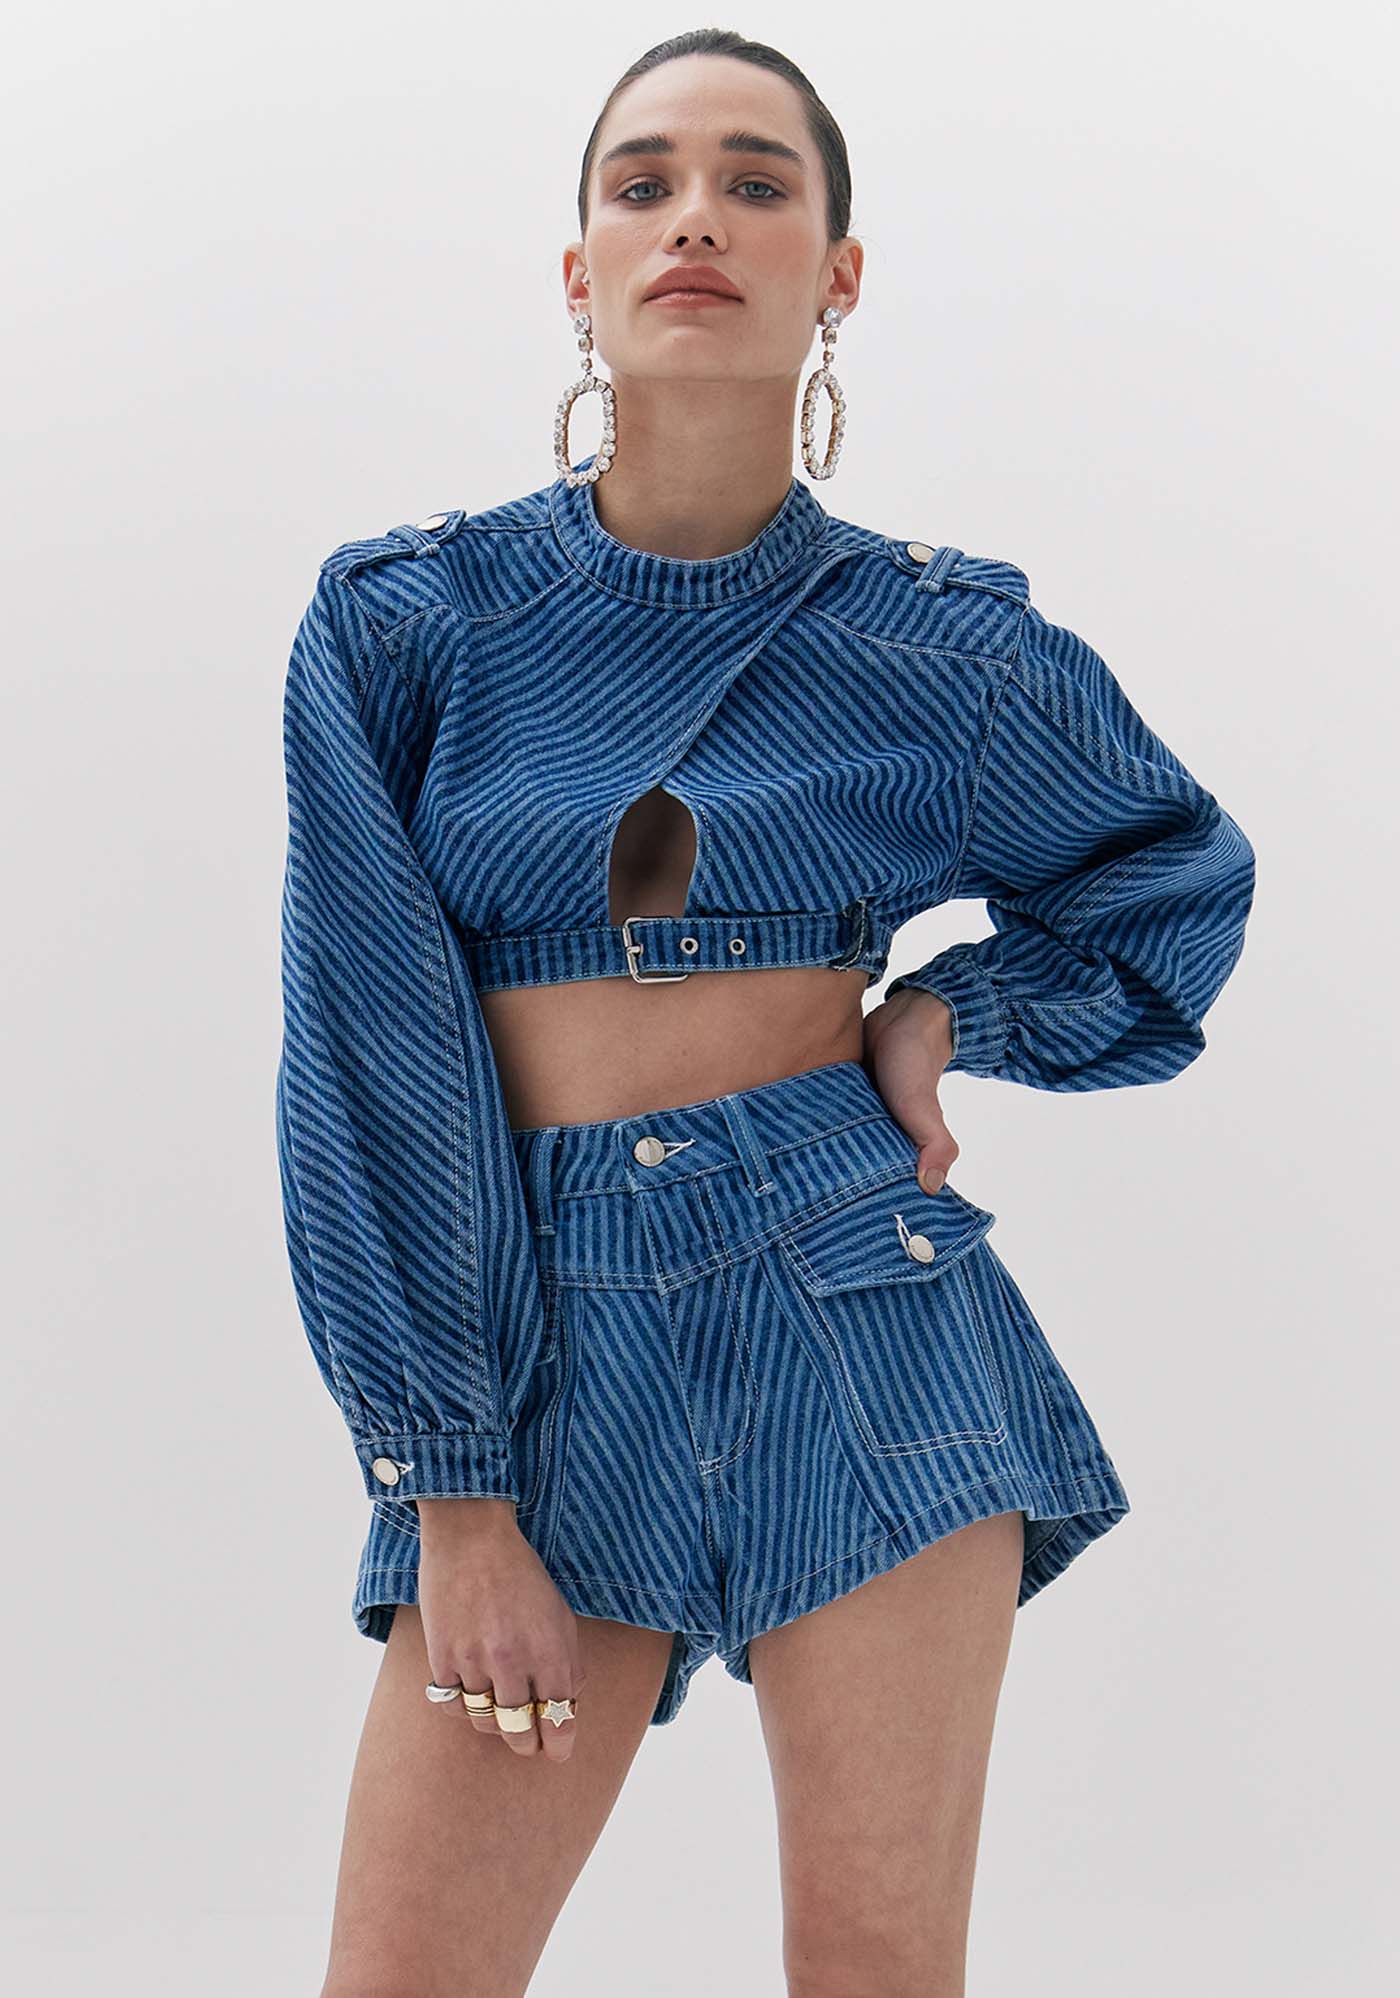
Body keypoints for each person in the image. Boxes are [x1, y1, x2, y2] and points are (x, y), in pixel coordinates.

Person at [274, 29, 1256, 1997]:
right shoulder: (408, 624)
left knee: (878, 1970)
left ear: (839, 270)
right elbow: (368, 1065)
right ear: (579, 273)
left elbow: (1171, 891)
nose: (696, 220)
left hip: (862, 1305)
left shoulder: (944, 648)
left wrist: (951, 1012)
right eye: (643, 185)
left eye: (755, 182)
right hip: (536, 1351)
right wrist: (451, 1487)